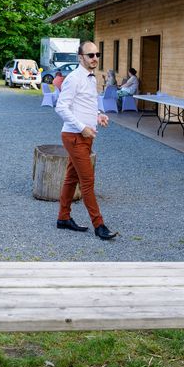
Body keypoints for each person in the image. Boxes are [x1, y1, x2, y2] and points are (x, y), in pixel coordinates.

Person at [55, 41, 118, 240]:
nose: (95, 58)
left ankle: (63, 218)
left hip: (85, 137)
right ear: (80, 57)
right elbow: (61, 108)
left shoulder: (91, 78)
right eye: (90, 55)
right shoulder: (74, 78)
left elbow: (86, 104)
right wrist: (83, 128)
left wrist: (98, 115)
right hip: (74, 137)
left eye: (97, 54)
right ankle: (99, 225)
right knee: (88, 181)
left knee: (72, 178)